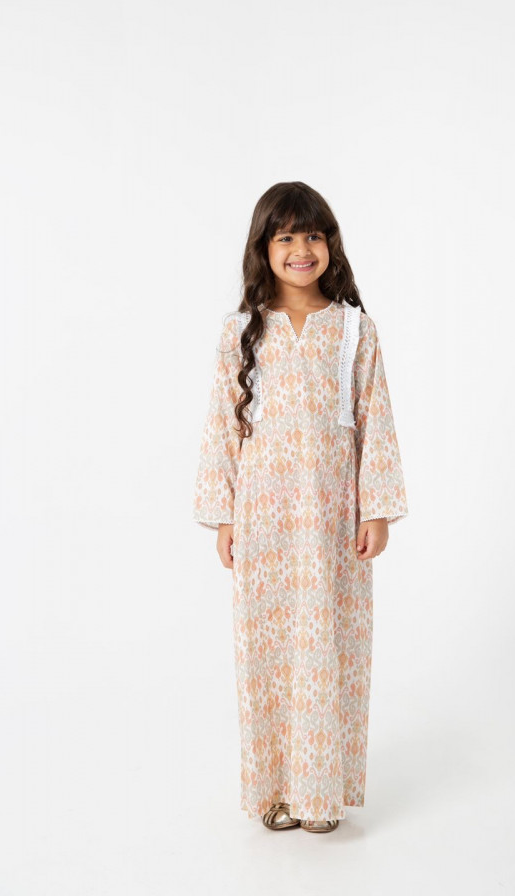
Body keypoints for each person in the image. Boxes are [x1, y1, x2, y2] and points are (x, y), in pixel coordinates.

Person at [192, 181, 409, 833]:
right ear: (263, 248)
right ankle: (275, 791)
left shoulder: (354, 330)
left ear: (331, 244)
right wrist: (224, 516)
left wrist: (376, 509)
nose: (301, 249)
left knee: (329, 650)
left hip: (333, 521)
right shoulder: (241, 332)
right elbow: (221, 428)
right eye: (285, 236)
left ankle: (321, 794)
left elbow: (376, 420)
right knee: (269, 655)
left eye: (313, 235)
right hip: (264, 523)